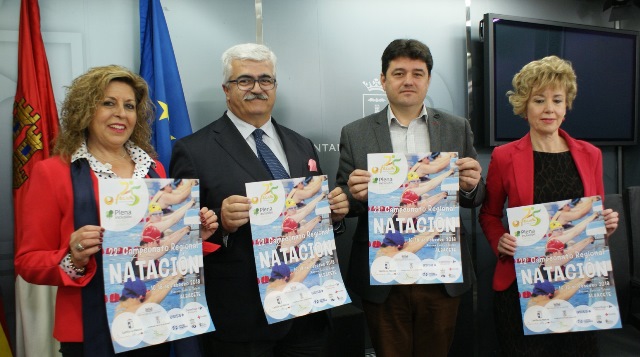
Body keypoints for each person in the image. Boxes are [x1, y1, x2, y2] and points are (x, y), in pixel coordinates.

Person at [13, 65, 218, 357]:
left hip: (154, 323)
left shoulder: (154, 170)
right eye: (108, 103)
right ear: (84, 111)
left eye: (129, 106)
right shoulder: (52, 173)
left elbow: (160, 244)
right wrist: (74, 257)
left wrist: (195, 233)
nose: (121, 113)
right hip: (90, 332)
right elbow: (27, 262)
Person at [169, 43, 349, 356]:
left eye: (266, 80)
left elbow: (314, 221)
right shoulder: (193, 150)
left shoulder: (301, 144)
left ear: (275, 87)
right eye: (244, 80)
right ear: (226, 89)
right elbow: (176, 242)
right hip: (242, 319)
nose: (257, 88)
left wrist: (332, 216)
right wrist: (221, 223)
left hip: (308, 308)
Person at [336, 39, 485, 357]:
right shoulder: (355, 132)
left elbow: (473, 198)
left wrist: (471, 185)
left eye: (417, 73)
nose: (408, 80)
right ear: (383, 79)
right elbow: (345, 203)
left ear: (428, 80)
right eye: (399, 72)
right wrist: (354, 194)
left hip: (442, 272)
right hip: (384, 275)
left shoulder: (457, 128)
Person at [478, 55, 619, 356]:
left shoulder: (590, 154)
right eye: (539, 100)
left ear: (566, 106)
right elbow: (489, 214)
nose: (549, 109)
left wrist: (605, 225)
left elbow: (593, 217)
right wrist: (498, 239)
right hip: (523, 285)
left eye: (557, 100)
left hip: (579, 284)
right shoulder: (504, 157)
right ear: (524, 106)